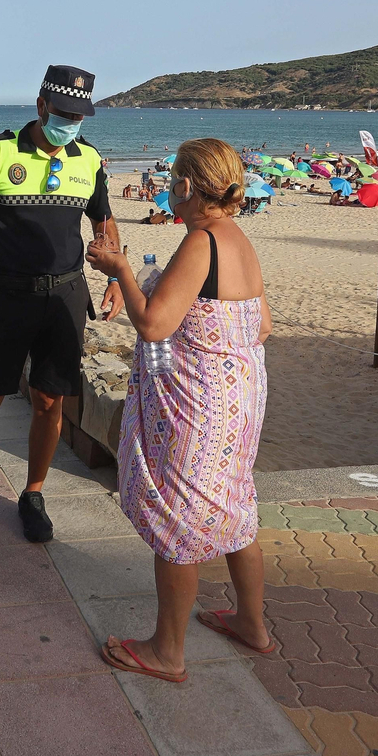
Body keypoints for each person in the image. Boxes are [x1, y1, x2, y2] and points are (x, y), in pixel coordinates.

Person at [86, 138, 272, 681]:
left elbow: (154, 325)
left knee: (179, 515)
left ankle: (168, 651)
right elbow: (260, 325)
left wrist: (119, 267)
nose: (168, 190)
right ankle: (252, 625)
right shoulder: (239, 239)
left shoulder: (201, 241)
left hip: (200, 402)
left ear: (188, 187)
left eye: (172, 181)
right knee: (235, 503)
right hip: (242, 394)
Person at [0, 65, 122, 546]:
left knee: (50, 401)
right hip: (7, 296)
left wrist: (116, 273)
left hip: (66, 297)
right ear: (41, 107)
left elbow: (104, 219)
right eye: (64, 114)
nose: (71, 123)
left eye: (80, 116)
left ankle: (33, 494)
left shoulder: (89, 159)